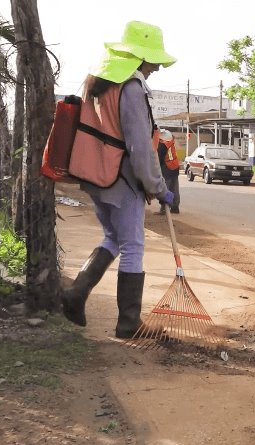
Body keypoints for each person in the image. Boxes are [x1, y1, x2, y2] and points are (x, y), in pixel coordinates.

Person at [61, 21, 176, 338]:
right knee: (134, 246)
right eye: (153, 60)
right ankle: (128, 323)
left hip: (95, 177)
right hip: (121, 180)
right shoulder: (131, 87)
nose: (155, 68)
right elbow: (139, 146)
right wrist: (158, 187)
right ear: (140, 57)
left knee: (114, 237)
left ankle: (74, 294)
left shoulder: (100, 79)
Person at [155, 128, 181, 214]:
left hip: (167, 167)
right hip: (175, 166)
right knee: (174, 188)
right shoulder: (171, 141)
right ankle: (175, 207)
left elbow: (158, 158)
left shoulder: (163, 145)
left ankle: (164, 208)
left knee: (165, 188)